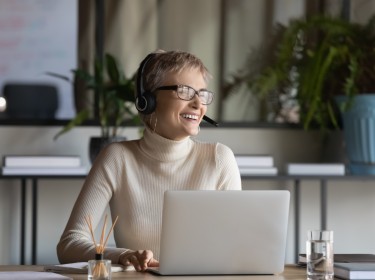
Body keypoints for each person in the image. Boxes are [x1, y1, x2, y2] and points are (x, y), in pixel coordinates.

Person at [56, 50, 242, 272]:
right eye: (184, 91)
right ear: (148, 100)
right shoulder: (116, 157)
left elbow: (237, 246)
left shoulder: (219, 159)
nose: (197, 104)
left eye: (202, 95)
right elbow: (69, 244)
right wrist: (124, 255)